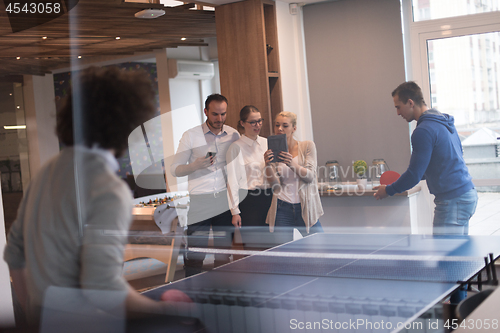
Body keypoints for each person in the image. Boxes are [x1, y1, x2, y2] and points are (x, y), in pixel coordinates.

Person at [3, 66, 188, 326]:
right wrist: (167, 311)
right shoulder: (108, 189)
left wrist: (36, 317)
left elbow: (14, 255)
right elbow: (102, 290)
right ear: (128, 122)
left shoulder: (45, 172)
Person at [374, 81, 478, 235]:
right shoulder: (443, 122)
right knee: (457, 254)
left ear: (410, 103)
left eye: (398, 107)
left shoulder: (423, 131)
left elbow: (414, 175)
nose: (397, 113)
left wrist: (389, 190)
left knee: (445, 257)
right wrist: (406, 178)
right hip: (467, 194)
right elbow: (445, 159)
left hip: (453, 201)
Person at [170, 94, 239, 277]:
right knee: (195, 254)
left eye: (223, 114)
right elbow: (174, 169)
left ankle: (221, 294)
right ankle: (191, 295)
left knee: (223, 256)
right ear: (206, 112)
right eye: (215, 114)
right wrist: (195, 166)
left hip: (223, 202)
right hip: (199, 201)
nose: (220, 119)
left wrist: (235, 208)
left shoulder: (233, 135)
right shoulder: (190, 136)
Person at [264, 111, 324, 243]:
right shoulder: (274, 150)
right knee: (283, 255)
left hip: (305, 206)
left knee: (319, 248)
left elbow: (309, 176)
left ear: (294, 128)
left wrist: (291, 163)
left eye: (285, 125)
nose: (280, 129)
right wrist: (268, 165)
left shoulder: (307, 146)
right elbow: (275, 185)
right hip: (282, 207)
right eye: (277, 125)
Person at [226, 106, 273, 250]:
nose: (257, 125)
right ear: (242, 123)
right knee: (254, 246)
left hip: (270, 197)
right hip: (249, 201)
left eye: (259, 121)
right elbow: (232, 182)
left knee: (272, 245)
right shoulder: (235, 148)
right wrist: (235, 211)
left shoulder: (267, 142)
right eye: (253, 122)